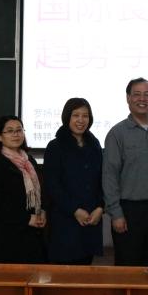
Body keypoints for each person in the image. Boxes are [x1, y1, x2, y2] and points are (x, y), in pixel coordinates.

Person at [102, 77, 148, 266]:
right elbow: (109, 176)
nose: (142, 99)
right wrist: (116, 214)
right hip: (128, 211)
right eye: (137, 94)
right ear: (128, 98)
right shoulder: (117, 133)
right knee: (127, 267)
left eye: (147, 95)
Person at [43, 98, 104, 265]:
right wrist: (75, 210)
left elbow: (102, 178)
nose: (81, 120)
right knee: (64, 271)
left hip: (91, 217)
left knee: (85, 269)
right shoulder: (55, 146)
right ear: (67, 117)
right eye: (76, 115)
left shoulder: (94, 144)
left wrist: (100, 207)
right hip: (65, 219)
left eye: (85, 116)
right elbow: (52, 185)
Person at [0, 115, 46, 264]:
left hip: (31, 233)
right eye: (9, 131)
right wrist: (26, 219)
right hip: (6, 236)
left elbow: (40, 192)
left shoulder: (29, 160)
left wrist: (42, 211)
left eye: (19, 130)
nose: (16, 134)